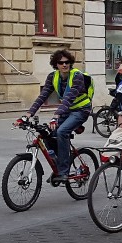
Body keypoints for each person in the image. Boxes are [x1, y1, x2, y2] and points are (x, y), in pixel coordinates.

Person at [24, 50, 93, 183]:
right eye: (61, 62)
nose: (64, 65)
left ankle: (63, 171)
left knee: (62, 131)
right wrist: (28, 114)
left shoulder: (77, 76)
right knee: (47, 133)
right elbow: (43, 96)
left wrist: (56, 115)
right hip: (66, 111)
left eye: (67, 62)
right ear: (56, 64)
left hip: (81, 110)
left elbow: (68, 98)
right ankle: (58, 161)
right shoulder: (52, 76)